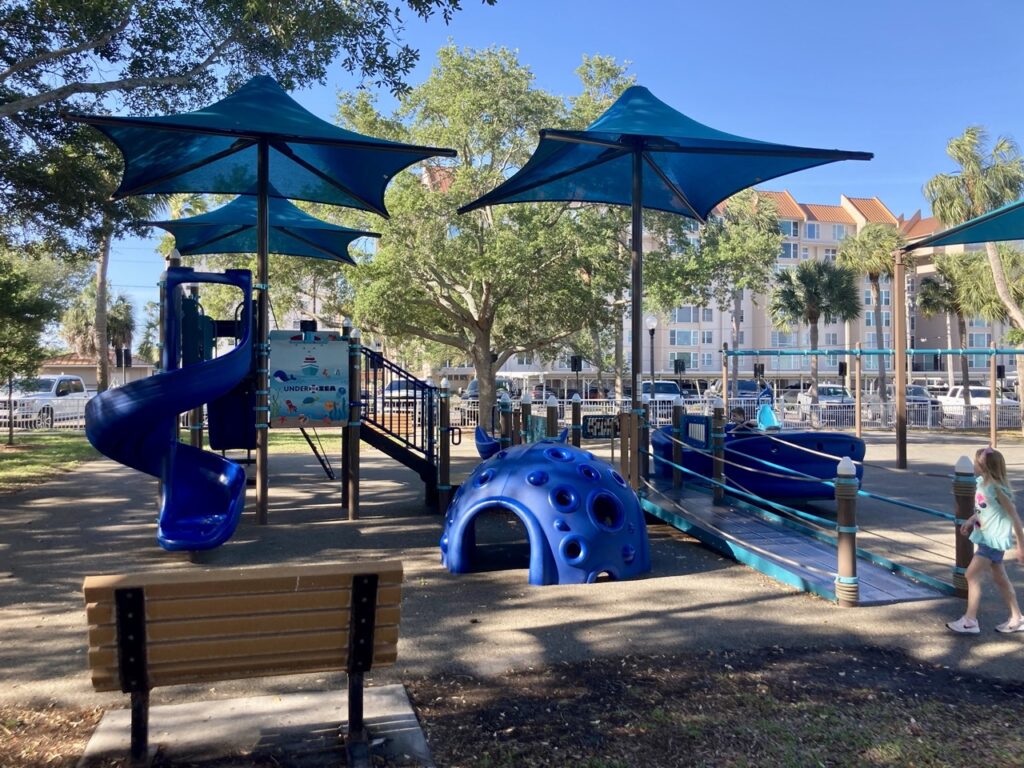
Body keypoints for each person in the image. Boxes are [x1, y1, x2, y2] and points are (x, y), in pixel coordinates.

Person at [947, 446, 1024, 634]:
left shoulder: (997, 489)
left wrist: (1021, 545)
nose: (974, 466)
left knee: (971, 575)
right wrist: (971, 520)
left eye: (976, 463)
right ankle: (1017, 618)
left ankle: (970, 621)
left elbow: (1014, 517)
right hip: (985, 538)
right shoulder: (982, 483)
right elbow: (984, 509)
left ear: (986, 467)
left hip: (992, 541)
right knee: (1000, 578)